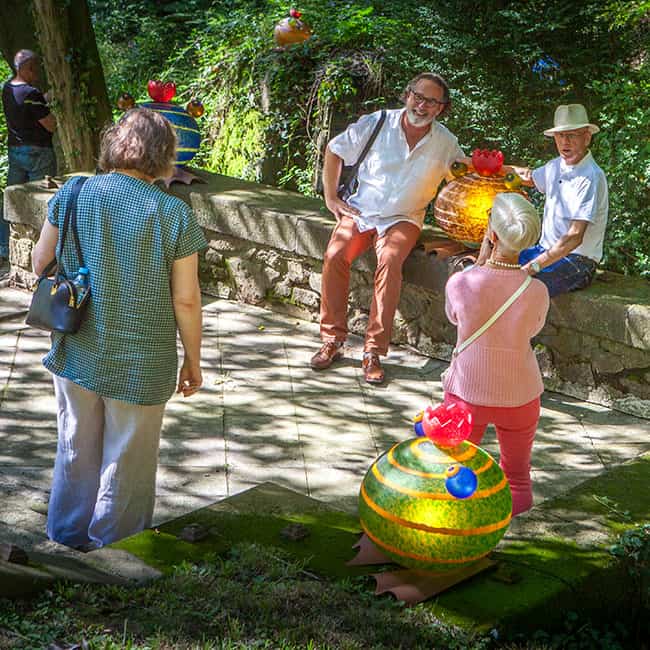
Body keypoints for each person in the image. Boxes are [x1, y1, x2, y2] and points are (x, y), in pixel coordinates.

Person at [31, 108, 207, 550]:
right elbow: (185, 299)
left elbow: (39, 262)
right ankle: (116, 551)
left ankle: (67, 539)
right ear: (164, 155)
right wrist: (193, 360)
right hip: (143, 359)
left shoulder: (74, 192)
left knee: (76, 446)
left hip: (77, 345)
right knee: (128, 457)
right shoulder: (173, 214)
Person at [311, 72, 468, 384]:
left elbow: (462, 182)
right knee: (335, 255)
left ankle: (373, 351)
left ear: (441, 108)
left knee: (390, 261)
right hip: (361, 210)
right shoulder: (378, 122)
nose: (421, 106)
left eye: (431, 101)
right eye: (417, 96)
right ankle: (332, 340)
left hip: (404, 217)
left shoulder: (447, 143)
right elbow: (334, 149)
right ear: (407, 95)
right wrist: (331, 198)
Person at [443, 193, 549, 516]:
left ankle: (462, 528)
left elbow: (454, 319)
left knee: (457, 474)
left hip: (466, 393)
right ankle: (514, 532)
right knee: (517, 479)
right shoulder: (537, 291)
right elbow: (532, 330)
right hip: (520, 395)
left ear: (492, 234)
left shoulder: (460, 283)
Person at [480, 104, 608, 298]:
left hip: (577, 261)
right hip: (544, 250)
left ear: (587, 137)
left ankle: (513, 327)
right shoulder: (556, 166)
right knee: (495, 268)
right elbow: (529, 177)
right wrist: (492, 167)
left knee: (519, 288)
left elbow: (574, 237)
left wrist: (532, 267)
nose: (565, 141)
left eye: (572, 135)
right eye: (560, 136)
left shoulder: (590, 177)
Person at [1, 49, 57, 262]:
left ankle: (4, 248)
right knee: (42, 202)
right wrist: (48, 109)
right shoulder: (31, 94)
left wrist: (43, 100)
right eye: (34, 68)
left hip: (16, 150)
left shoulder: (7, 89)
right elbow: (50, 125)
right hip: (38, 151)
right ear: (25, 68)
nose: (37, 72)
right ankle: (43, 254)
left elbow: (25, 107)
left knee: (12, 198)